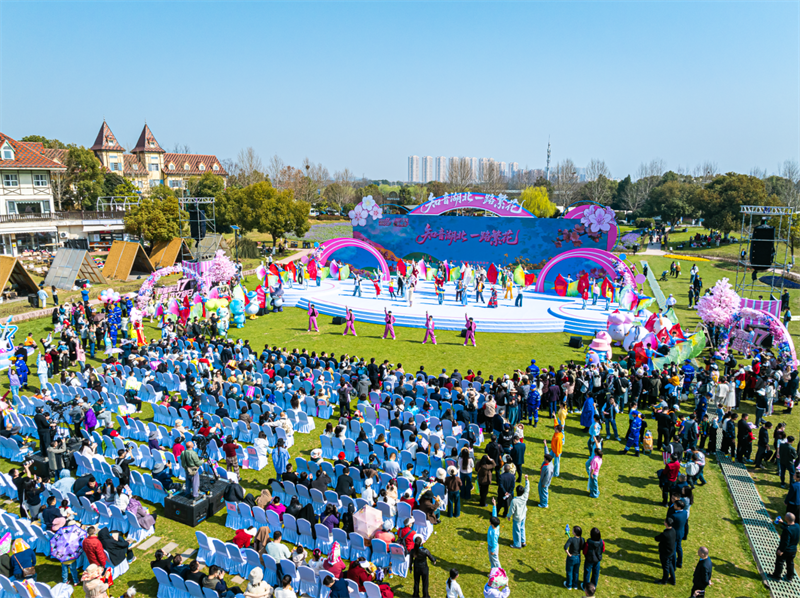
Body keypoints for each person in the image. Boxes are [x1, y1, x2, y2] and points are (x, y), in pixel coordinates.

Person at [770, 512, 799, 582]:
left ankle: (776, 576)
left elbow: (786, 542)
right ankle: (789, 577)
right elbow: (791, 527)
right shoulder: (797, 526)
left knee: (780, 561)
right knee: (790, 562)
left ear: (786, 519)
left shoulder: (787, 530)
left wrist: (781, 550)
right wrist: (783, 523)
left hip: (786, 550)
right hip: (793, 550)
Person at [509, 475, 530, 548]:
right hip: (523, 515)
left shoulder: (514, 501)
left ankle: (517, 544)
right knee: (522, 528)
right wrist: (526, 480)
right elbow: (527, 489)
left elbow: (511, 510)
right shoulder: (525, 496)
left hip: (517, 517)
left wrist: (508, 516)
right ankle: (523, 541)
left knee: (516, 531)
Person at [656, 517, 677, 586]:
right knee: (670, 565)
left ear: (666, 524)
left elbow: (657, 538)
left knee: (665, 567)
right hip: (671, 551)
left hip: (665, 553)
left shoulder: (665, 534)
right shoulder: (673, 530)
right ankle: (673, 580)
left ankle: (664, 581)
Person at [564, 525, 584, 590]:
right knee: (576, 572)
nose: (571, 530)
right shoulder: (582, 539)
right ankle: (575, 585)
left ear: (574, 533)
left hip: (571, 558)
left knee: (569, 571)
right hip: (578, 557)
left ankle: (569, 585)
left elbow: (565, 547)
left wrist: (569, 554)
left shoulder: (571, 539)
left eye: (573, 530)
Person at [487, 498, 501, 568]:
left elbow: (494, 543)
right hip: (491, 546)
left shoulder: (494, 533)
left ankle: (501, 573)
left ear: (492, 524)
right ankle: (493, 572)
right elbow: (494, 515)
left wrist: (492, 550)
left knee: (495, 561)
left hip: (493, 547)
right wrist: (494, 505)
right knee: (491, 560)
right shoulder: (496, 525)